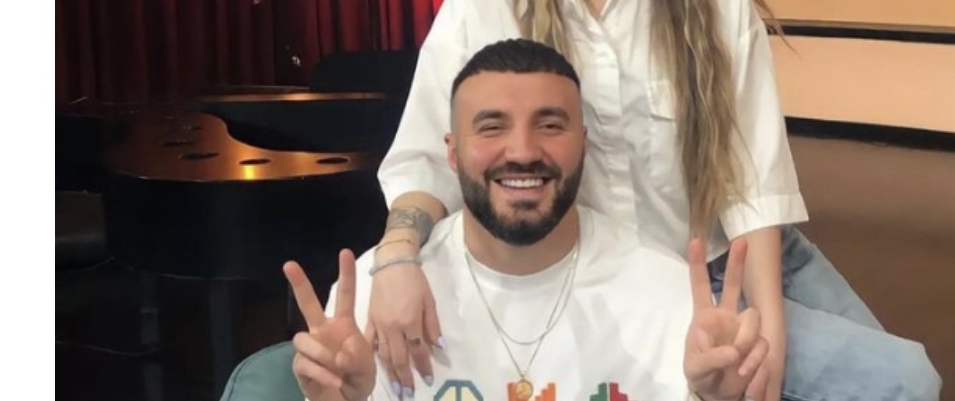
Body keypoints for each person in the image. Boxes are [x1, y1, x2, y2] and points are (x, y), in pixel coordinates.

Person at [369, 0, 941, 400]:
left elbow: (753, 185)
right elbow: (427, 163)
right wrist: (396, 260)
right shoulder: (484, 0)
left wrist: (768, 330)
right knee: (898, 380)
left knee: (905, 383)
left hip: (740, 259)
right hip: (625, 288)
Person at [285, 39, 770, 400]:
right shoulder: (376, 296)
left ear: (584, 144)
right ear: (451, 153)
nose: (521, 151)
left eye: (550, 125)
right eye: (492, 127)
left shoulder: (665, 295)